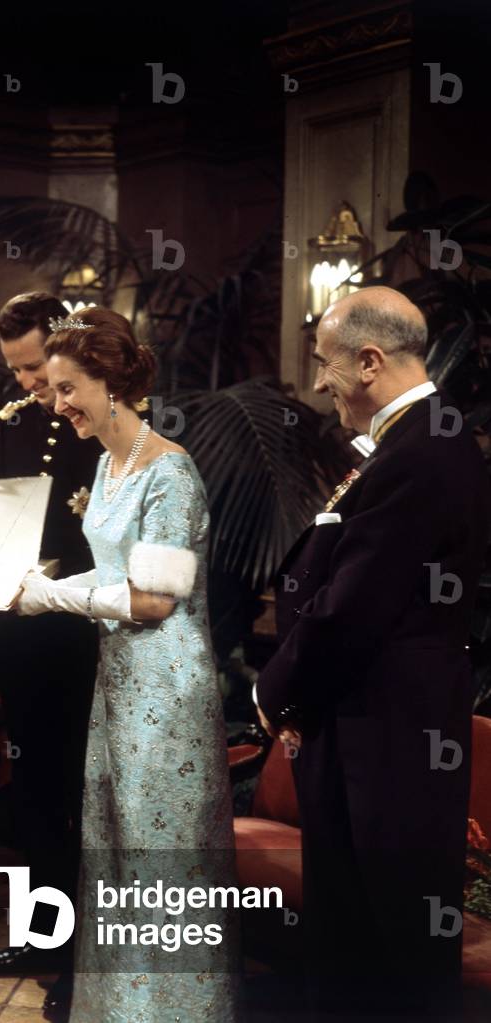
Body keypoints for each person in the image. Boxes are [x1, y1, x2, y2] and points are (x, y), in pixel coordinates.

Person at [254, 286, 491, 1019]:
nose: (320, 384)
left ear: (368, 360)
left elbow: (352, 607)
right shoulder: (418, 439)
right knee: (356, 933)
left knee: (387, 940)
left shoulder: (422, 449)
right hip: (370, 723)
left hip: (389, 734)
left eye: (325, 365)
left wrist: (273, 690)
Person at [16, 308, 238, 1023]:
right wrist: (49, 584)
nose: (58, 404)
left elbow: (152, 601)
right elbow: (115, 577)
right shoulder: (109, 463)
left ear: (111, 382)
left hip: (168, 691)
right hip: (117, 683)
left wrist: (53, 595)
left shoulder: (171, 471)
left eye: (68, 387)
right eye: (52, 389)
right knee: (112, 852)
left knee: (157, 854)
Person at [0, 295, 101, 1013]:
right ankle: (40, 936)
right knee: (32, 790)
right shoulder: (14, 426)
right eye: (16, 370)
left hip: (85, 629)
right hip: (22, 628)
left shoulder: (102, 420)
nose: (25, 383)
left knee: (79, 794)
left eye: (32, 366)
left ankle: (84, 951)